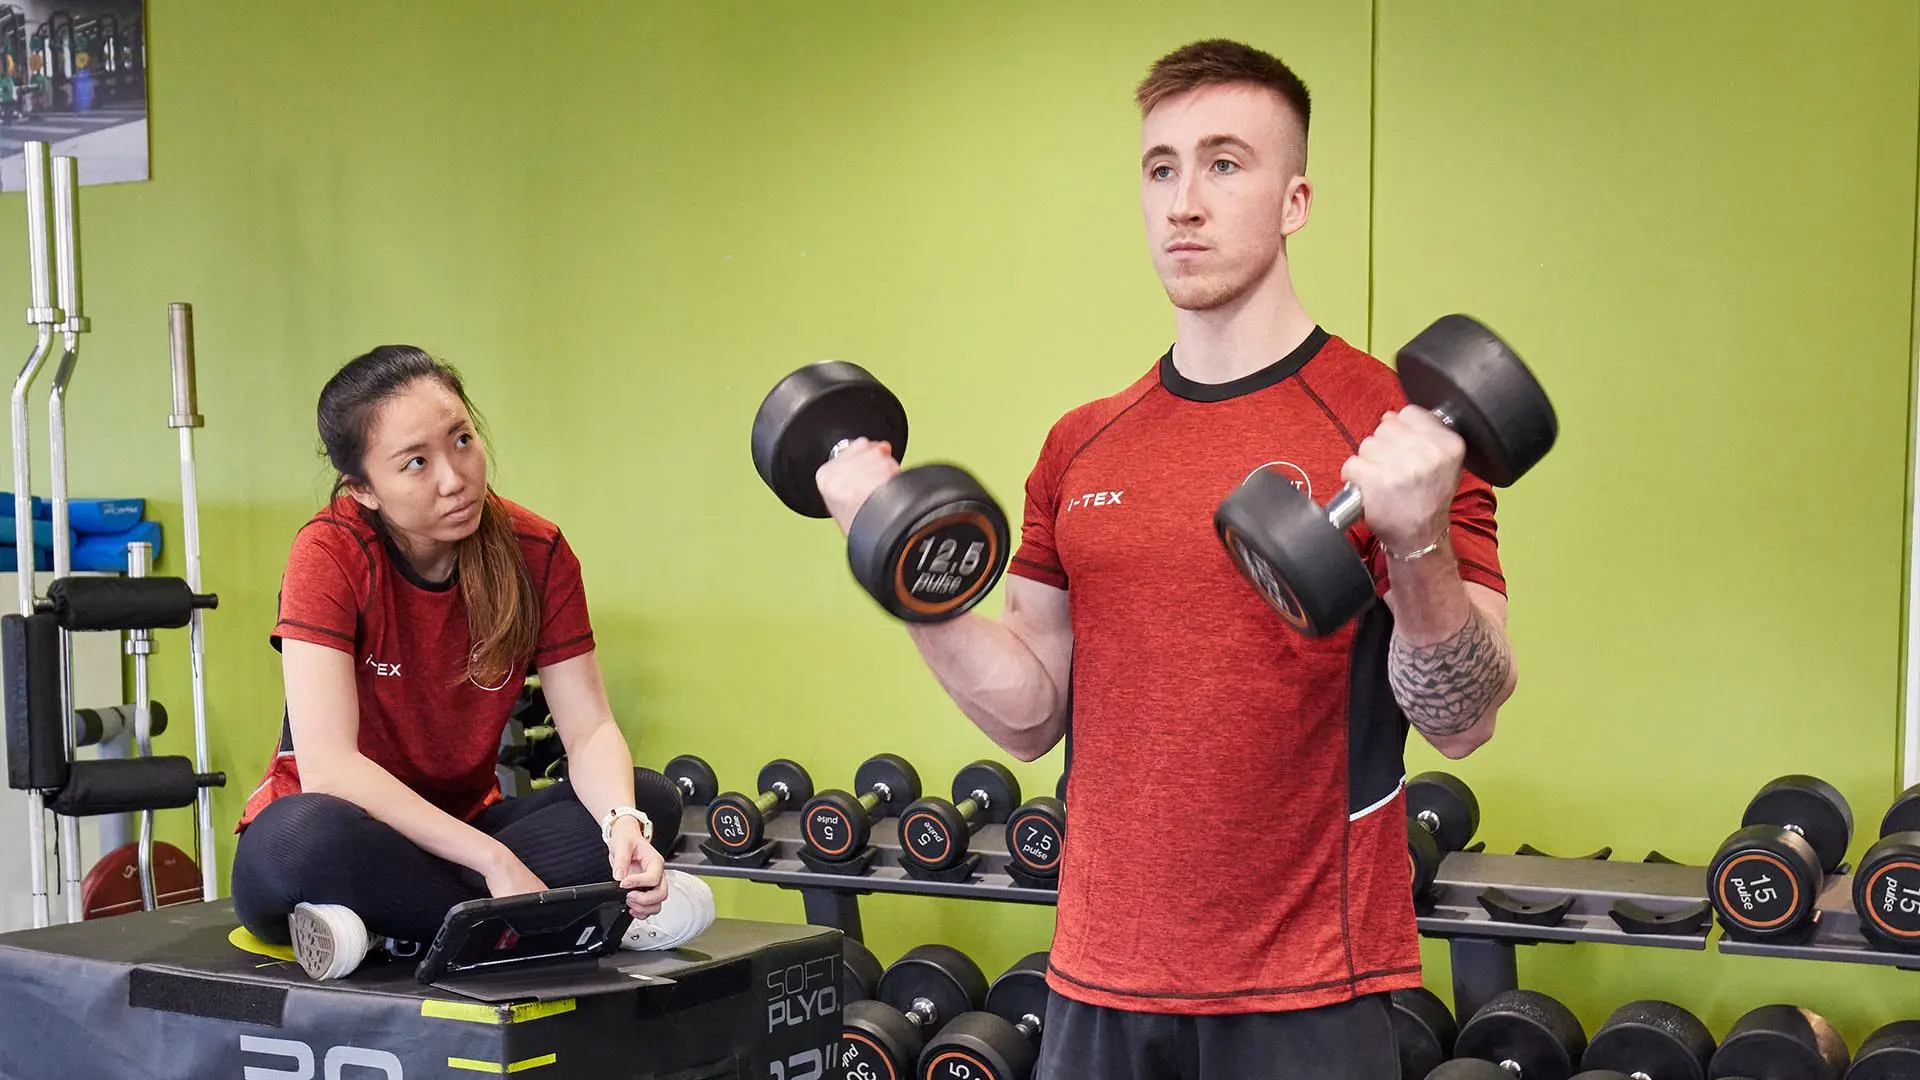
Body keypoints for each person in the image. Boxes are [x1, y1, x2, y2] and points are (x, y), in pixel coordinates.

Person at [815, 39, 1518, 1079]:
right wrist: (891, 554)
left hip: (1313, 988)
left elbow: (1465, 721)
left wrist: (1413, 538)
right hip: (1097, 983)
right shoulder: (1081, 443)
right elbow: (1029, 711)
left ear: (1296, 200)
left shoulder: (1398, 431)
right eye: (1160, 168)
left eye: (1225, 164)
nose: (1184, 201)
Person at [231, 345, 708, 981]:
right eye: (416, 463)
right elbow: (331, 768)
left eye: (461, 440)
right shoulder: (330, 552)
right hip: (342, 832)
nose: (454, 478)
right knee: (303, 838)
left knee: (652, 795)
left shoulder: (536, 550)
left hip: (462, 830)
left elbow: (590, 729)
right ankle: (552, 925)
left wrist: (625, 825)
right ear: (364, 490)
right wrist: (493, 863)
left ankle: (394, 929)